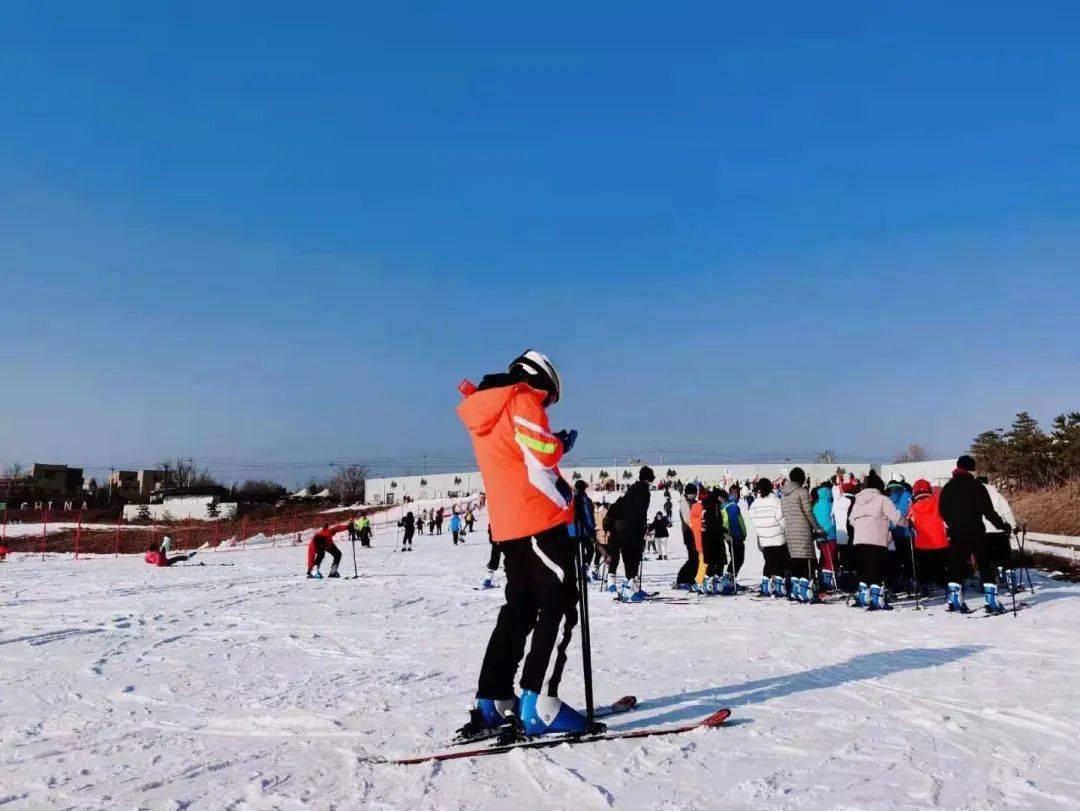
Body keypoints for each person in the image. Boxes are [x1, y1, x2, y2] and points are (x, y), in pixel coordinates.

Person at [456, 349, 590, 738]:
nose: (547, 404)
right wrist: (561, 443)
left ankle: (494, 700)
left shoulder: (487, 407)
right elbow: (542, 452)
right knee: (560, 604)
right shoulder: (521, 398)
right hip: (540, 520)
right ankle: (538, 704)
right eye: (549, 397)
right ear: (541, 380)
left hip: (509, 524)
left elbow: (518, 457)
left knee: (519, 609)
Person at [939, 455, 1010, 590]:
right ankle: (991, 599)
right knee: (984, 563)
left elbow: (942, 511)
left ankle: (954, 598)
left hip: (957, 532)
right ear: (971, 469)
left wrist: (953, 523)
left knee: (957, 565)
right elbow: (988, 511)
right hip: (976, 530)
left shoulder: (948, 487)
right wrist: (1002, 525)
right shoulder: (977, 486)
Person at [604, 466, 655, 601]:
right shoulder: (644, 491)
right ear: (649, 478)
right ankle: (630, 590)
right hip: (631, 529)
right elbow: (640, 511)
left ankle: (633, 587)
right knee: (633, 557)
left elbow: (620, 506)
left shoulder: (632, 489)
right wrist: (643, 527)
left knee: (628, 557)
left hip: (620, 529)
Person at [848, 472, 901, 597]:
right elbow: (895, 517)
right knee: (877, 569)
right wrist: (907, 522)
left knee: (864, 569)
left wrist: (862, 527)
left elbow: (851, 519)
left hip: (860, 539)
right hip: (877, 539)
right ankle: (876, 598)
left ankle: (862, 596)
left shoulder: (858, 500)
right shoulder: (883, 499)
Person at [780, 467, 823, 581]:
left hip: (789, 531)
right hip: (802, 532)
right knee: (806, 562)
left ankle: (796, 588)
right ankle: (806, 588)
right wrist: (818, 528)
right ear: (802, 478)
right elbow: (809, 512)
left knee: (795, 562)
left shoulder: (784, 495)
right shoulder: (802, 492)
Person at [907, 479, 950, 590]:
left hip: (921, 542)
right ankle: (942, 582)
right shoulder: (938, 501)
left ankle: (924, 583)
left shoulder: (912, 507)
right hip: (939, 540)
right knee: (940, 564)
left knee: (923, 565)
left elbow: (909, 521)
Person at [978, 475, 1018, 579]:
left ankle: (987, 582)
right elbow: (1007, 512)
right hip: (999, 531)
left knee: (986, 559)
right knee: (1004, 555)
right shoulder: (997, 495)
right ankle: (1009, 576)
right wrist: (1013, 526)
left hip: (982, 533)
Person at [748, 478, 788, 581]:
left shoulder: (754, 504)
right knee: (779, 563)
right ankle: (778, 583)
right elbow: (783, 520)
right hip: (778, 538)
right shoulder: (777, 502)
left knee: (768, 562)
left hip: (764, 539)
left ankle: (766, 582)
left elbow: (753, 520)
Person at [699, 487, 728, 593]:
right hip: (712, 536)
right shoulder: (713, 505)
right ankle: (708, 582)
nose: (723, 502)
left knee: (716, 561)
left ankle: (713, 581)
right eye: (723, 499)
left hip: (710, 536)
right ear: (720, 497)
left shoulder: (710, 503)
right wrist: (723, 529)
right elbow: (713, 522)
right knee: (715, 560)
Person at [568, 479, 597, 575]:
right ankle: (583, 569)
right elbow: (588, 514)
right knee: (590, 550)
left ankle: (571, 573)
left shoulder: (570, 498)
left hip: (571, 530)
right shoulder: (584, 499)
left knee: (573, 553)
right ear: (584, 488)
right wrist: (592, 527)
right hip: (583, 530)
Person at [674, 483, 700, 588]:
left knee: (694, 558)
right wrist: (695, 528)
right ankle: (682, 578)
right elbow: (688, 519)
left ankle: (689, 577)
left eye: (694, 494)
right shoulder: (684, 503)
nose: (693, 496)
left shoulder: (692, 502)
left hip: (693, 533)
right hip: (689, 533)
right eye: (691, 494)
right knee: (693, 558)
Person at [812, 483, 838, 581]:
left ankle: (823, 574)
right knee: (831, 557)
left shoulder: (815, 506)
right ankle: (830, 577)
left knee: (825, 555)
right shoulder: (832, 504)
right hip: (831, 533)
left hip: (820, 534)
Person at [722, 485, 747, 579]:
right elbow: (735, 523)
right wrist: (740, 536)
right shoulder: (732, 506)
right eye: (738, 493)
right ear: (734, 493)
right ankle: (729, 578)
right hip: (734, 536)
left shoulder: (729, 504)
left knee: (736, 558)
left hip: (729, 535)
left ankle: (730, 577)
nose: (740, 495)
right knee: (738, 558)